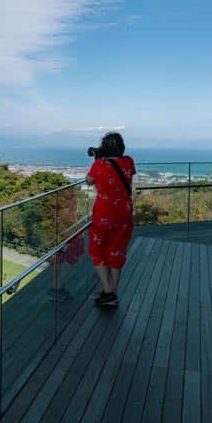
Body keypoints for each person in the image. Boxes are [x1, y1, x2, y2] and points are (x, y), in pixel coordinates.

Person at [85, 132, 135, 308]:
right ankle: (114, 292)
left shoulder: (99, 165)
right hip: (124, 215)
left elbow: (89, 181)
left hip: (104, 215)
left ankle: (107, 291)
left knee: (97, 251)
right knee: (116, 251)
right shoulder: (128, 161)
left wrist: (98, 159)